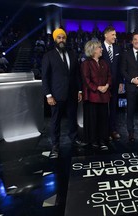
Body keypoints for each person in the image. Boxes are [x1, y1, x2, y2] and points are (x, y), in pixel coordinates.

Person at [42, 28, 85, 158]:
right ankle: (55, 145)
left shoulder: (72, 53)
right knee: (55, 121)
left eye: (63, 38)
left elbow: (77, 74)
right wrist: (48, 95)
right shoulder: (48, 56)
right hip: (56, 95)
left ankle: (74, 139)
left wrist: (79, 90)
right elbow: (45, 77)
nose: (61, 40)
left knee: (72, 118)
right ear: (55, 39)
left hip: (72, 94)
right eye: (59, 38)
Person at [81, 40, 112, 150]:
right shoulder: (86, 63)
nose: (101, 49)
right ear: (93, 49)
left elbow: (109, 75)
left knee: (103, 119)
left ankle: (102, 140)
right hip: (92, 97)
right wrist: (98, 88)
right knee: (93, 120)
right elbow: (86, 80)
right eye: (99, 47)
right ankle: (93, 140)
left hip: (104, 96)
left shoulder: (104, 62)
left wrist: (107, 85)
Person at [101, 26, 124, 140]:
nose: (115, 37)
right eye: (113, 35)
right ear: (106, 35)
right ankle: (103, 131)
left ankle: (112, 130)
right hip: (103, 85)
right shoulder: (99, 48)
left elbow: (120, 67)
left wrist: (120, 82)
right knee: (104, 108)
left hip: (115, 84)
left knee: (114, 108)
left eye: (115, 35)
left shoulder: (118, 48)